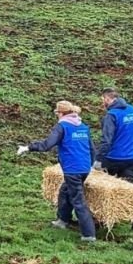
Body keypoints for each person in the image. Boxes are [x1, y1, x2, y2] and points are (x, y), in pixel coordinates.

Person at [17, 100, 97, 242]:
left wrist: (29, 147)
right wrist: (89, 165)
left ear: (60, 113)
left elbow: (47, 144)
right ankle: (62, 220)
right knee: (64, 191)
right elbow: (92, 149)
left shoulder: (62, 127)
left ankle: (89, 235)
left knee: (78, 201)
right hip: (84, 168)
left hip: (72, 169)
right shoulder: (83, 127)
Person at [99, 90, 133, 230]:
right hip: (132, 157)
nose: (102, 103)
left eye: (102, 100)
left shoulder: (112, 115)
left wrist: (98, 159)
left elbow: (106, 140)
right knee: (128, 189)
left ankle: (101, 219)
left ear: (108, 99)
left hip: (112, 158)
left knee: (105, 190)